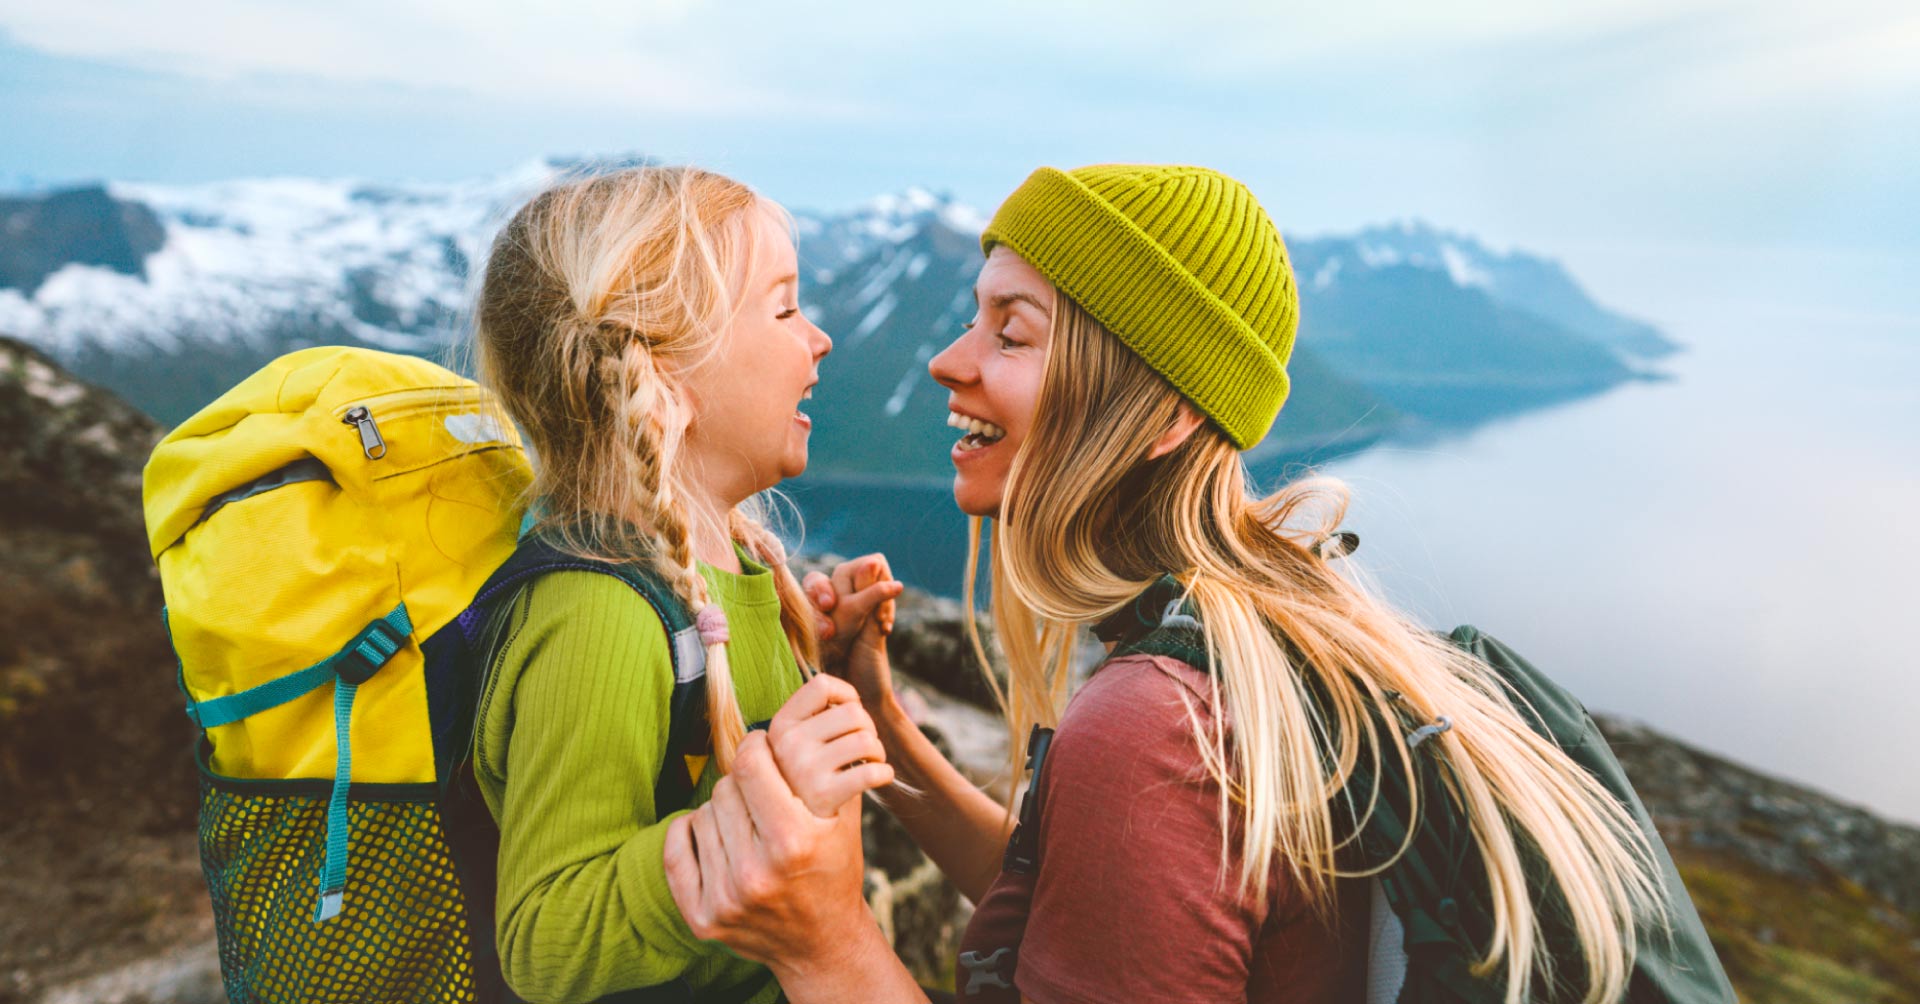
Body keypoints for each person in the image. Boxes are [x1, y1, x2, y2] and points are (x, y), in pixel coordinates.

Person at [662, 165, 1689, 1003]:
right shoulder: (1274, 611)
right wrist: (887, 728)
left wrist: (825, 944)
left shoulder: (1158, 727)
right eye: (974, 320)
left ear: (1160, 416)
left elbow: (1132, 827)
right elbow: (1100, 897)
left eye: (1011, 333)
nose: (945, 361)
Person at [469, 165, 898, 1004]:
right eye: (784, 308)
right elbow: (544, 937)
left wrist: (835, 676)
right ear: (665, 373)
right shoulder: (598, 614)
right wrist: (740, 829)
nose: (820, 339)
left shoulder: (735, 565)